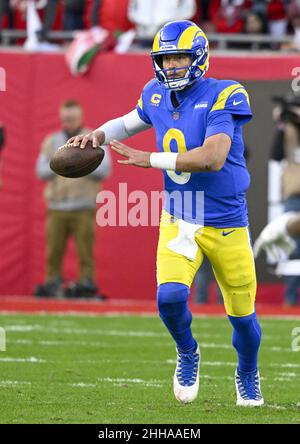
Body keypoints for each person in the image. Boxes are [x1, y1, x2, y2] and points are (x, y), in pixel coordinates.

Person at [69, 20, 263, 406]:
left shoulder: (227, 94)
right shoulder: (154, 93)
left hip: (227, 220)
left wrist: (149, 159)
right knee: (170, 297)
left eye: (180, 58)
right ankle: (188, 352)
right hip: (182, 215)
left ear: (199, 57)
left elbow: (212, 158)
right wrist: (99, 136)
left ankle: (247, 371)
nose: (172, 66)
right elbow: (128, 122)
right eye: (166, 59)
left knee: (243, 318)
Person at [35, 99, 111, 298]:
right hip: (57, 205)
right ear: (61, 118)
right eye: (66, 118)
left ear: (80, 117)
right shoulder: (51, 141)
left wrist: (80, 163)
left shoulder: (93, 138)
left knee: (85, 250)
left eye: (72, 117)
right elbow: (41, 170)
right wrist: (63, 165)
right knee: (53, 251)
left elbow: (105, 169)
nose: (69, 121)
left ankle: (86, 285)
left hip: (83, 205)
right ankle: (53, 284)